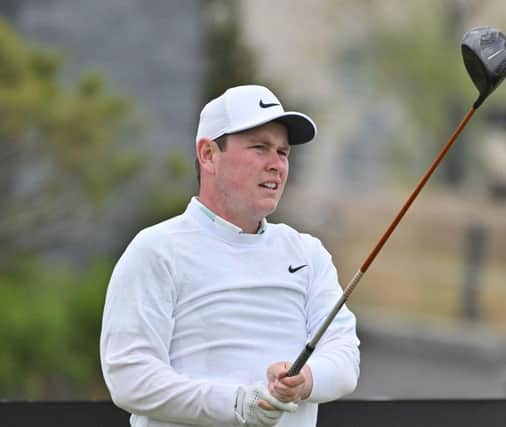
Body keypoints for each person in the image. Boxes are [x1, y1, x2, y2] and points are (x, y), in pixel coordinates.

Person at [100, 84, 360, 427]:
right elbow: (130, 377)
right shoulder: (156, 250)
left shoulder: (307, 252)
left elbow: (344, 357)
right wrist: (237, 403)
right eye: (259, 148)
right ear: (209, 155)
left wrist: (305, 379)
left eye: (283, 153)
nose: (276, 165)